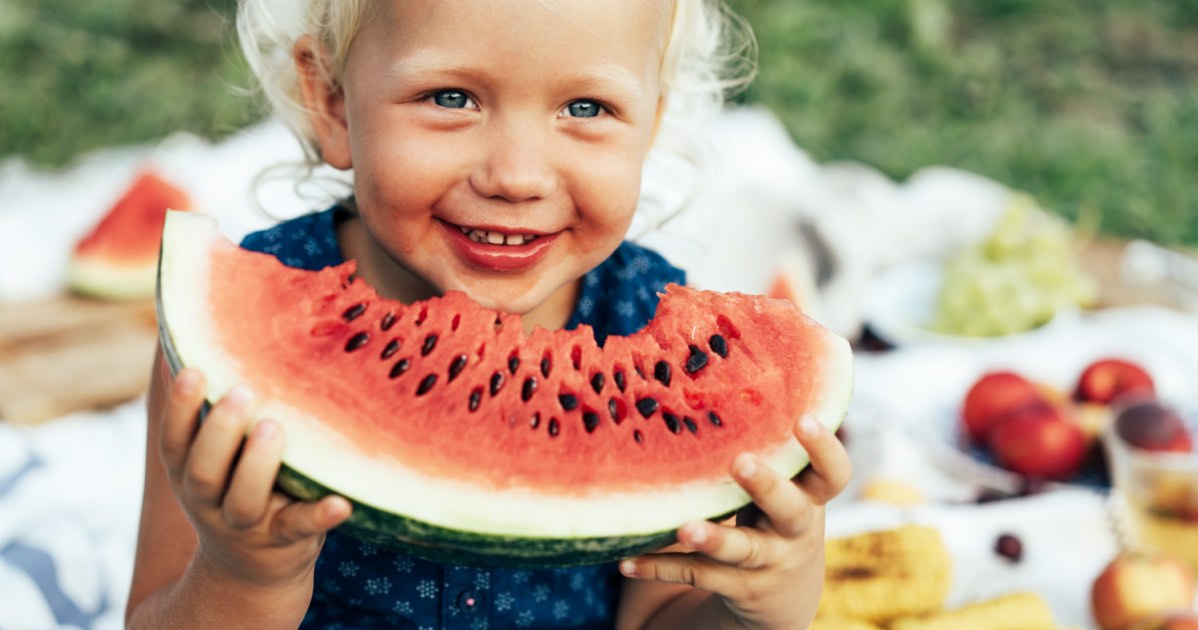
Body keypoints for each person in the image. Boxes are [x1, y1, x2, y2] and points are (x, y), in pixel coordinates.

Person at [125, 0, 853, 628]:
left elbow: (657, 614)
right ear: (333, 102)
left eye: (586, 108)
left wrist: (760, 606)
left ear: (652, 124)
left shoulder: (655, 332)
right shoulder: (234, 335)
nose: (516, 176)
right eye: (451, 98)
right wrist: (243, 574)